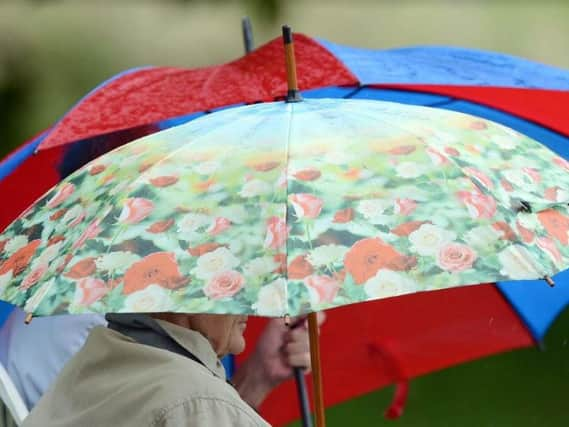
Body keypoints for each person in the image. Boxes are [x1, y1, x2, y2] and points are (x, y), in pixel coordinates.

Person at [21, 312, 319, 426]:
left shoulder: (102, 351)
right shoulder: (197, 402)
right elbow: (193, 406)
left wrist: (258, 376)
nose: (255, 304)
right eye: (236, 279)